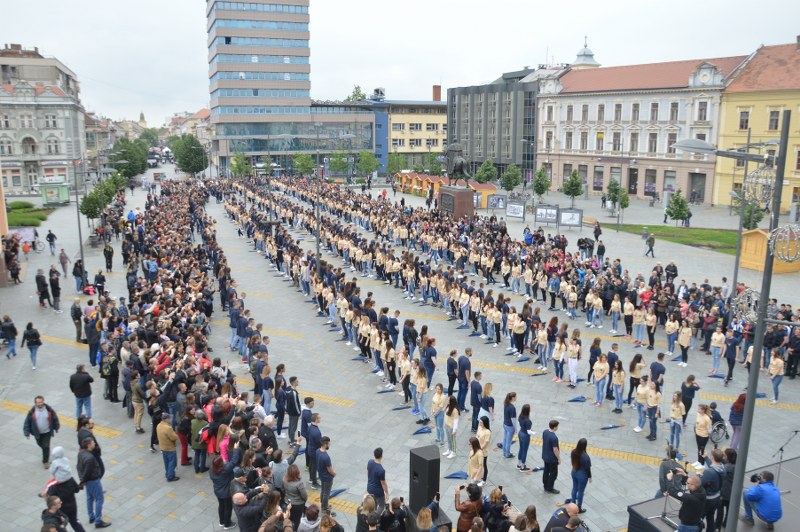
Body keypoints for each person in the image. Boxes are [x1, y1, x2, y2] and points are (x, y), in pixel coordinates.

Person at [41, 446, 86, 532]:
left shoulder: (53, 486)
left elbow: (50, 499)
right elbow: (77, 490)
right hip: (72, 506)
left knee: (62, 526)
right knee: (75, 522)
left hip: (60, 510)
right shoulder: (71, 480)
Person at [77, 437, 110, 528]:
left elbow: (78, 467)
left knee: (89, 498)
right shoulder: (90, 458)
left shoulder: (81, 453)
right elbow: (87, 472)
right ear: (88, 445)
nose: (94, 443)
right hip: (93, 480)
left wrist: (82, 480)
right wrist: (83, 481)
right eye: (92, 443)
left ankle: (91, 516)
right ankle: (98, 521)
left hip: (88, 481)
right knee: (99, 499)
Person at [23, 395, 60, 468]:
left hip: (47, 432)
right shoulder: (32, 412)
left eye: (41, 402)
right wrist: (27, 433)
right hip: (37, 433)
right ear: (35, 403)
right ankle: (46, 451)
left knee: (46, 447)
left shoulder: (49, 410)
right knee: (41, 445)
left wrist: (56, 427)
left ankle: (45, 461)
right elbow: (27, 423)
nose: (40, 404)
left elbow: (55, 418)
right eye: (39, 402)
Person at [209, 456, 236, 529]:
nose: (224, 459)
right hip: (226, 493)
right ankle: (227, 524)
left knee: (221, 505)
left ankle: (222, 521)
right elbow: (233, 462)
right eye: (222, 460)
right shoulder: (225, 470)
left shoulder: (211, 469)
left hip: (218, 491)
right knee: (228, 507)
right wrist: (236, 450)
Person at [568, 438, 591, 513]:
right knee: (581, 491)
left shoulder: (573, 452)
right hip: (582, 476)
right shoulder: (586, 457)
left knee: (574, 488)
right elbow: (587, 469)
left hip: (574, 472)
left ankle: (573, 503)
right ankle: (579, 508)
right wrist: (590, 477)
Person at [156, 413, 180, 482]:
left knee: (166, 462)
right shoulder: (168, 428)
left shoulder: (159, 425)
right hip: (170, 448)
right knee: (172, 463)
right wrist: (176, 434)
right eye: (169, 418)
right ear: (166, 419)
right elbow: (174, 437)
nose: (170, 420)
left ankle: (167, 473)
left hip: (163, 447)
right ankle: (170, 476)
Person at [317, 436, 336, 517]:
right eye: (328, 444)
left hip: (321, 475)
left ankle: (323, 503)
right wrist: (334, 474)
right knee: (326, 493)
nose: (329, 445)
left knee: (323, 490)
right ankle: (325, 508)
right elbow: (329, 469)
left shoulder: (317, 451)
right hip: (327, 477)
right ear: (325, 444)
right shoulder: (326, 457)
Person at [366, 447, 389, 513]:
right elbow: (383, 483)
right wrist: (387, 493)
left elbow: (368, 473)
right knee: (382, 506)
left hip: (369, 488)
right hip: (378, 491)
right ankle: (375, 517)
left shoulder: (370, 462)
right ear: (381, 456)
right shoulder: (381, 470)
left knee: (374, 504)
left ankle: (371, 515)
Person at [542, 419, 561, 494]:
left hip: (545, 456)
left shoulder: (545, 432)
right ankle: (550, 488)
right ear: (554, 427)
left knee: (546, 471)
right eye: (557, 426)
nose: (558, 427)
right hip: (552, 459)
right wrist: (559, 458)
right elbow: (555, 449)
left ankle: (545, 485)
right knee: (553, 473)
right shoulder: (554, 437)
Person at [517, 403, 534, 472]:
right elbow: (529, 431)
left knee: (521, 448)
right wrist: (534, 433)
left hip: (520, 433)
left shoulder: (520, 416)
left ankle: (519, 464)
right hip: (525, 436)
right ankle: (522, 466)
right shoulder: (528, 421)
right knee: (525, 451)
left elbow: (519, 424)